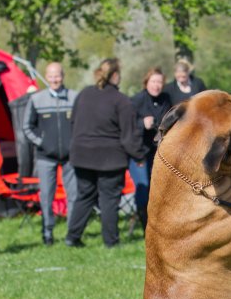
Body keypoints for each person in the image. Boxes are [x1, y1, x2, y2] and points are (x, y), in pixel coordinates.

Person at [65, 58, 146, 248]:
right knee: (109, 199)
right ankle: (111, 241)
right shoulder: (121, 100)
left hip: (82, 155)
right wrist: (139, 156)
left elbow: (73, 122)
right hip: (110, 158)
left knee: (85, 195)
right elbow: (129, 135)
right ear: (115, 76)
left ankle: (72, 236)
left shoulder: (84, 94)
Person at [23, 62, 77, 245]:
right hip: (45, 157)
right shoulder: (36, 99)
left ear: (63, 76)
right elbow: (27, 127)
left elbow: (81, 125)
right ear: (46, 77)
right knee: (46, 196)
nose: (55, 79)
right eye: (51, 76)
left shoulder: (74, 98)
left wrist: (75, 144)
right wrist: (42, 142)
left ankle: (72, 233)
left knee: (73, 195)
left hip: (70, 157)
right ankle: (47, 233)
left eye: (58, 75)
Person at [129, 68, 171, 232]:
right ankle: (146, 228)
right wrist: (142, 123)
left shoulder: (166, 99)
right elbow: (126, 126)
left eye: (159, 82)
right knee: (143, 189)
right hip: (139, 152)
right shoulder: (136, 100)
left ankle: (160, 224)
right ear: (146, 82)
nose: (156, 85)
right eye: (153, 81)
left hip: (159, 153)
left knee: (160, 188)